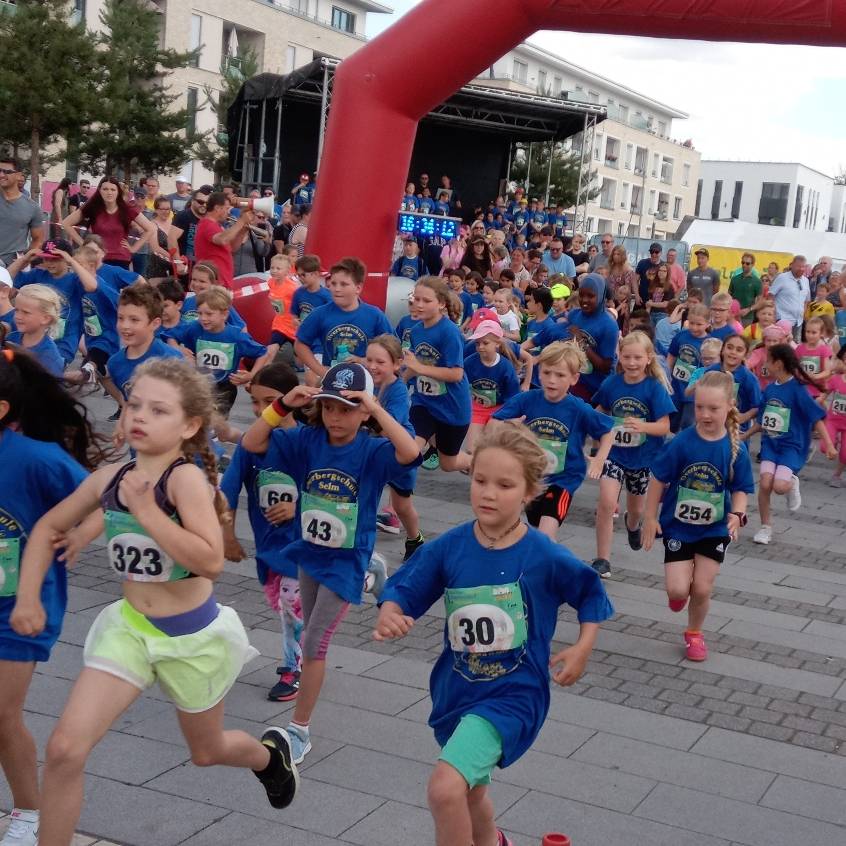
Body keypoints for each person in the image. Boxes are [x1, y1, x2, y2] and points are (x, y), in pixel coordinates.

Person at [11, 358, 299, 845]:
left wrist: (147, 511)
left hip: (192, 639)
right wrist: (28, 596)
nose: (139, 416)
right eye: (135, 405)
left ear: (189, 425)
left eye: (158, 410)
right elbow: (46, 528)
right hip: (130, 631)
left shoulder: (186, 481)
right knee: (63, 750)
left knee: (206, 752)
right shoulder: (110, 477)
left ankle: (269, 757)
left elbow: (209, 561)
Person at [374, 422, 613, 846]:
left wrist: (583, 646)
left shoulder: (543, 553)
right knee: (471, 792)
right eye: (480, 480)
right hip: (456, 689)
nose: (488, 492)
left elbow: (589, 592)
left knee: (445, 788)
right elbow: (405, 590)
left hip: (514, 695)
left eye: (504, 485)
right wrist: (391, 613)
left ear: (528, 493)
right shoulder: (449, 547)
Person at [240, 361, 422, 764]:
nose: (336, 417)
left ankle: (299, 731)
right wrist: (283, 405)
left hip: (345, 560)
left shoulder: (372, 451)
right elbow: (252, 444)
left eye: (346, 408)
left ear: (361, 411)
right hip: (309, 551)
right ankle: (374, 572)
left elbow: (411, 452)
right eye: (329, 408)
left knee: (313, 641)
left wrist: (376, 408)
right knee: (308, 630)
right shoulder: (307, 441)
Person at [0, 339, 105, 846]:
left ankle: (27, 811)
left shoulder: (36, 459)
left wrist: (81, 533)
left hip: (22, 605)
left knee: (1, 713)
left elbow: (106, 498)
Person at [642, 370, 755, 662]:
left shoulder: (735, 449)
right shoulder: (682, 441)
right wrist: (650, 516)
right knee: (679, 589)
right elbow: (658, 478)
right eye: (700, 407)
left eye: (713, 408)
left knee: (702, 588)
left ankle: (694, 633)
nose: (704, 414)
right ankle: (679, 596)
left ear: (730, 405)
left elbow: (741, 488)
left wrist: (738, 513)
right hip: (678, 528)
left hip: (714, 528)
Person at [221, 362, 305, 702]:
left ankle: (292, 668)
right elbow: (226, 493)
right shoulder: (251, 446)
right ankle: (367, 571)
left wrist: (297, 507)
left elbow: (333, 491)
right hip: (270, 545)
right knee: (286, 602)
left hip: (308, 542)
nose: (261, 410)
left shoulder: (309, 440)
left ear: (291, 400)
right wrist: (227, 536)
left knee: (290, 604)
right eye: (255, 403)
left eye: (269, 401)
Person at [492, 341, 614, 545]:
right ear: (539, 372)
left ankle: (545, 571)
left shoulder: (578, 409)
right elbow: (494, 422)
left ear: (574, 378)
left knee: (546, 534)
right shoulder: (528, 400)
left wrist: (600, 459)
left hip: (563, 480)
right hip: (531, 478)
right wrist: (508, 426)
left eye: (560, 375)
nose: (552, 380)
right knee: (532, 526)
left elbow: (608, 431)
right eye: (547, 373)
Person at [592, 331, 675, 578]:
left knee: (637, 509)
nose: (631, 363)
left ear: (648, 358)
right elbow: (599, 410)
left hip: (643, 459)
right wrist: (595, 428)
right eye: (627, 357)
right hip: (614, 454)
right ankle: (602, 560)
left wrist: (643, 427)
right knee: (607, 503)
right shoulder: (611, 384)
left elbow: (665, 426)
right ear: (619, 356)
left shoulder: (654, 388)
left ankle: (632, 524)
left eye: (637, 358)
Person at [747, 344, 836, 545]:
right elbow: (763, 419)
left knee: (779, 487)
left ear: (778, 364)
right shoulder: (769, 389)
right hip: (770, 445)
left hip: (792, 447)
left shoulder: (798, 389)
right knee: (765, 483)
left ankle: (791, 482)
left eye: (768, 361)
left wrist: (829, 445)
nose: (765, 364)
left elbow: (816, 418)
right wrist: (745, 435)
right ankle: (765, 527)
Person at [163, 286, 269, 430]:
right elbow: (170, 336)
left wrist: (251, 375)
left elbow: (262, 353)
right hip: (199, 384)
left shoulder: (235, 336)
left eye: (209, 314)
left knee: (215, 426)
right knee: (196, 422)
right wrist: (179, 349)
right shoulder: (194, 328)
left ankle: (214, 443)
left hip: (225, 388)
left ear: (224, 315)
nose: (203, 318)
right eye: (200, 313)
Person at [404, 277, 472, 473]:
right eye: (416, 299)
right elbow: (417, 364)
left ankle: (477, 462)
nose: (419, 304)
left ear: (441, 304)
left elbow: (457, 374)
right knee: (409, 449)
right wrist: (401, 380)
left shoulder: (449, 332)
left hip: (452, 407)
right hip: (424, 403)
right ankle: (398, 500)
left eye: (426, 301)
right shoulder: (416, 331)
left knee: (448, 464)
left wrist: (419, 368)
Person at [367, 335, 424, 561]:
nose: (372, 366)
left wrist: (369, 414)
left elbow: (390, 426)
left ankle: (415, 538)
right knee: (366, 496)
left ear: (396, 364)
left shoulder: (398, 390)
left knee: (402, 506)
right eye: (369, 359)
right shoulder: (371, 383)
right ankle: (361, 544)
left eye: (380, 362)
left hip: (400, 454)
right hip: (376, 451)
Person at [294, 257, 392, 377]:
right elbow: (300, 344)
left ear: (358, 288)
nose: (337, 289)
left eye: (344, 284)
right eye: (333, 284)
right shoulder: (320, 313)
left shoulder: (374, 315)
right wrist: (322, 372)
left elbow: (392, 349)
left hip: (366, 383)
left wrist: (364, 361)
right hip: (333, 383)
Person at [8, 242, 98, 368]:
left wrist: (71, 260)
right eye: (46, 258)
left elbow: (92, 286)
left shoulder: (75, 279)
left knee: (48, 374)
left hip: (63, 342)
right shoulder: (37, 274)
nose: (49, 263)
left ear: (66, 259)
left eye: (55, 259)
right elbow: (5, 280)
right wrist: (25, 259)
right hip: (35, 338)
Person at [106, 283, 183, 409]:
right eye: (120, 318)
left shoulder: (172, 360)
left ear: (155, 323)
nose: (125, 326)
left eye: (134, 320)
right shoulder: (115, 363)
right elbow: (127, 404)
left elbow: (189, 404)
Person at [62, 176, 155, 269]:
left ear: (118, 192)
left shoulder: (127, 209)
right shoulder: (92, 207)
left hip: (121, 259)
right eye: (105, 189)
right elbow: (66, 223)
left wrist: (134, 248)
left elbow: (150, 228)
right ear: (99, 190)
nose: (109, 192)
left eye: (113, 189)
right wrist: (84, 244)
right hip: (98, 259)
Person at [462, 320, 521, 454]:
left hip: (499, 409)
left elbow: (513, 397)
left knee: (490, 446)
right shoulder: (469, 362)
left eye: (485, 343)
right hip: (477, 408)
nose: (480, 347)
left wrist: (511, 418)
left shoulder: (505, 367)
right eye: (477, 343)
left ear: (497, 344)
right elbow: (461, 386)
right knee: (472, 450)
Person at [193, 192, 254, 289]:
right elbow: (222, 240)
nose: (228, 212)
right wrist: (241, 221)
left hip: (222, 282)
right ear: (217, 208)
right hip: (214, 284)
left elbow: (232, 248)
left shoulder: (217, 226)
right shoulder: (207, 224)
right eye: (226, 208)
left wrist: (242, 231)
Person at [666, 303, 711, 431]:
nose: (694, 327)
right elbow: (671, 356)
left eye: (699, 324)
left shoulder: (709, 342)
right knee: (671, 423)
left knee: (688, 424)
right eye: (691, 323)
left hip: (694, 392)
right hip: (675, 387)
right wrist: (666, 376)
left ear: (708, 324)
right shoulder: (681, 335)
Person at [5, 284, 65, 377]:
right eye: (16, 310)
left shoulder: (50, 357)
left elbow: (52, 389)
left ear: (45, 318)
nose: (18, 316)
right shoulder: (10, 338)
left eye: (26, 312)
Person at [0, 156, 44, 267]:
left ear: (19, 175)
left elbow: (38, 239)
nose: (1, 175)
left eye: (7, 172)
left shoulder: (32, 208)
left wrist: (24, 261)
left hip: (11, 270)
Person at [264, 254, 300, 364]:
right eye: (272, 268)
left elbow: (302, 302)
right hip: (279, 325)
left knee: (301, 360)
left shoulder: (292, 288)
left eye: (278, 268)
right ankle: (260, 377)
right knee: (270, 351)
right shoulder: (270, 283)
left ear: (287, 271)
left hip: (294, 328)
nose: (274, 271)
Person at [769, 255, 810, 342]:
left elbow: (806, 301)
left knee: (795, 348)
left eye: (803, 266)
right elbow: (770, 296)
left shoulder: (806, 280)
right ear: (791, 265)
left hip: (798, 322)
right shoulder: (782, 278)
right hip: (783, 320)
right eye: (798, 266)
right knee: (781, 346)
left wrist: (803, 314)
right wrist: (774, 315)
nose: (801, 269)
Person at [824, 346, 846, 487]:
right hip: (833, 420)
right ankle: (834, 441)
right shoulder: (836, 379)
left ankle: (837, 475)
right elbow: (823, 394)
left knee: (845, 454)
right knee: (824, 447)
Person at [169, 187, 210, 265]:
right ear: (192, 201)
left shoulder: (209, 218)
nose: (204, 205)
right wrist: (178, 263)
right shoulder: (183, 216)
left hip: (202, 266)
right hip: (185, 265)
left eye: (207, 203)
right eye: (200, 202)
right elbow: (171, 239)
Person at [144, 196, 177, 279]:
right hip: (157, 266)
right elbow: (155, 248)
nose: (166, 212)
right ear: (156, 210)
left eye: (168, 209)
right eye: (163, 209)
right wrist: (174, 258)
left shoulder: (174, 222)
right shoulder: (152, 225)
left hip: (174, 265)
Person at [728, 253, 762, 326]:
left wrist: (749, 309)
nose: (744, 265)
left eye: (747, 263)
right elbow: (728, 296)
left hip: (747, 317)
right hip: (733, 316)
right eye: (743, 262)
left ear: (752, 265)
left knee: (744, 337)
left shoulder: (757, 281)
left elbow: (760, 301)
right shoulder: (734, 279)